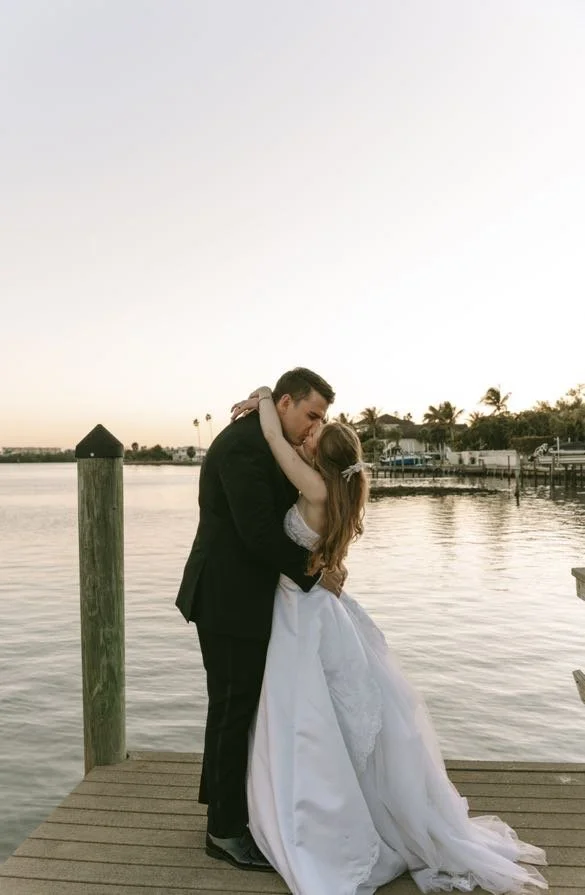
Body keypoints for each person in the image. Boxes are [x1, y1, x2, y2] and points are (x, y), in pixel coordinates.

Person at [230, 386, 548, 895]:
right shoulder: (344, 491)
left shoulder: (313, 489)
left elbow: (271, 435)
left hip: (302, 614)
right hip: (321, 608)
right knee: (324, 717)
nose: (306, 435)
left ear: (321, 456)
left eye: (314, 434)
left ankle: (313, 816)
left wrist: (267, 396)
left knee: (304, 718)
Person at [175, 368, 346, 872]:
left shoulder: (268, 434)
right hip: (227, 599)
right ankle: (225, 833)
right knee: (232, 709)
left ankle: (225, 810)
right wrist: (316, 577)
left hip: (248, 597)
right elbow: (257, 534)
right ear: (289, 403)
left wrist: (265, 399)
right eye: (312, 415)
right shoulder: (241, 448)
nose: (314, 426)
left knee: (236, 708)